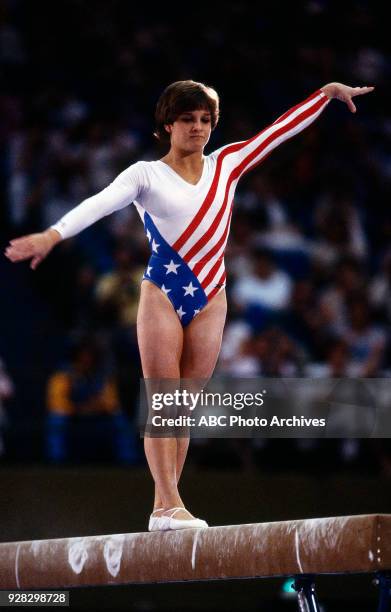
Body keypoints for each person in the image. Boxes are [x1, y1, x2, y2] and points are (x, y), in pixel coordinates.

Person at [4, 80, 374, 530]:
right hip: (163, 291)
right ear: (168, 123)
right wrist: (53, 234)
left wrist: (327, 95)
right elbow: (98, 205)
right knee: (165, 401)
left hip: (211, 295)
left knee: (186, 407)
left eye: (204, 120)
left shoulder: (228, 164)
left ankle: (168, 505)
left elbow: (278, 131)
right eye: (187, 119)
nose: (197, 128)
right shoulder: (146, 175)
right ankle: (166, 503)